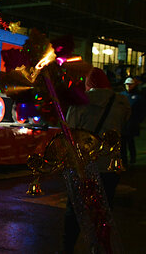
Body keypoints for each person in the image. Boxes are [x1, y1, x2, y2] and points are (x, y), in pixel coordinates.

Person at [63, 67, 130, 253]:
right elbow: (124, 124)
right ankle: (100, 247)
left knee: (75, 209)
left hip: (83, 165)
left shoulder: (79, 103)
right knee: (103, 210)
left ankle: (67, 248)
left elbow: (70, 131)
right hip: (110, 165)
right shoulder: (121, 102)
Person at [120, 76, 145, 166]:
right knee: (123, 143)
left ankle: (132, 157)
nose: (128, 86)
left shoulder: (138, 97)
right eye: (127, 84)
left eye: (130, 85)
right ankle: (124, 159)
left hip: (131, 123)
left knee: (130, 141)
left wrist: (138, 121)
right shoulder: (121, 95)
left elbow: (142, 111)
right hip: (123, 123)